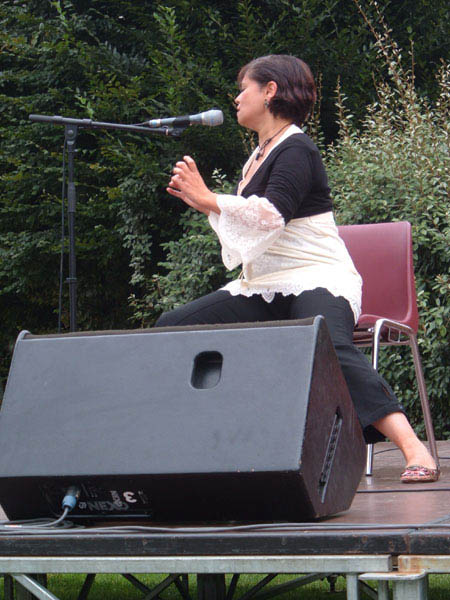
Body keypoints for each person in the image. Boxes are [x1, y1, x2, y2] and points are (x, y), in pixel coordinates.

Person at [160, 54, 438, 483]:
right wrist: (206, 202)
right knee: (173, 326)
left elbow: (271, 216)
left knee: (325, 339)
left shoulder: (297, 148)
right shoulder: (257, 157)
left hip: (318, 277)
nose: (236, 97)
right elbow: (252, 235)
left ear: (270, 91)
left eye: (244, 88)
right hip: (263, 286)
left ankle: (412, 447)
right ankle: (203, 449)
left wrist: (211, 199)